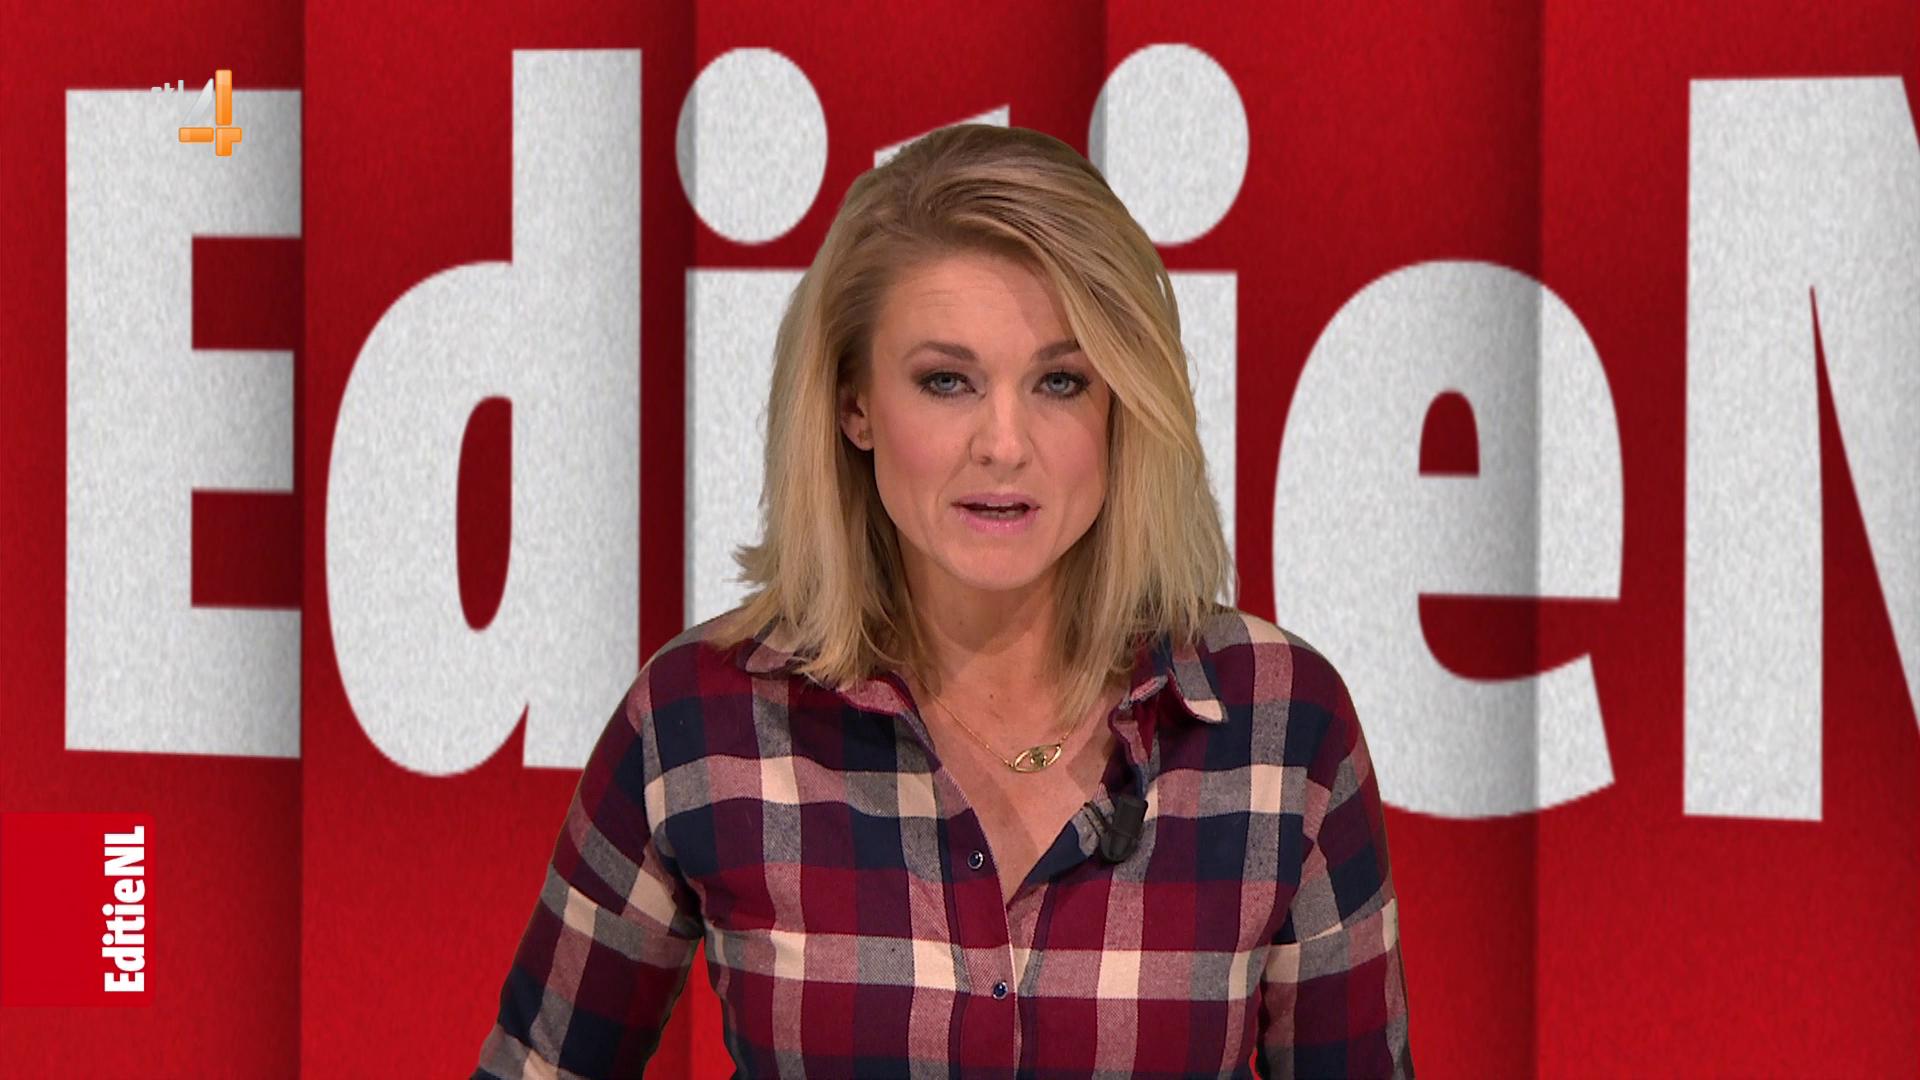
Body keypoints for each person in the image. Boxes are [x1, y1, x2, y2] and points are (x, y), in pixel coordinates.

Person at [473, 123, 1412, 1079]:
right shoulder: (699, 720)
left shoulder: (1279, 723)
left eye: (1059, 381)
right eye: (947, 381)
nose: (1003, 444)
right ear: (855, 405)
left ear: (1122, 404)